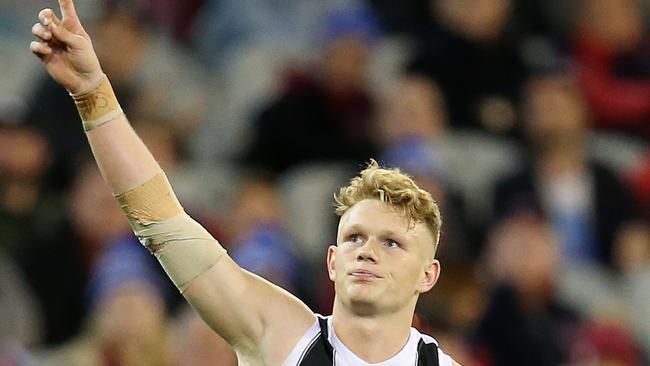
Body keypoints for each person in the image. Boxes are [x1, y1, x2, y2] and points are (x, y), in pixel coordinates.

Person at [29, 1, 459, 365]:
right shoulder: (280, 334)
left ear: (428, 274)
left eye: (391, 243)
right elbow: (160, 220)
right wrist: (92, 93)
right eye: (354, 238)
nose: (366, 251)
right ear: (331, 261)